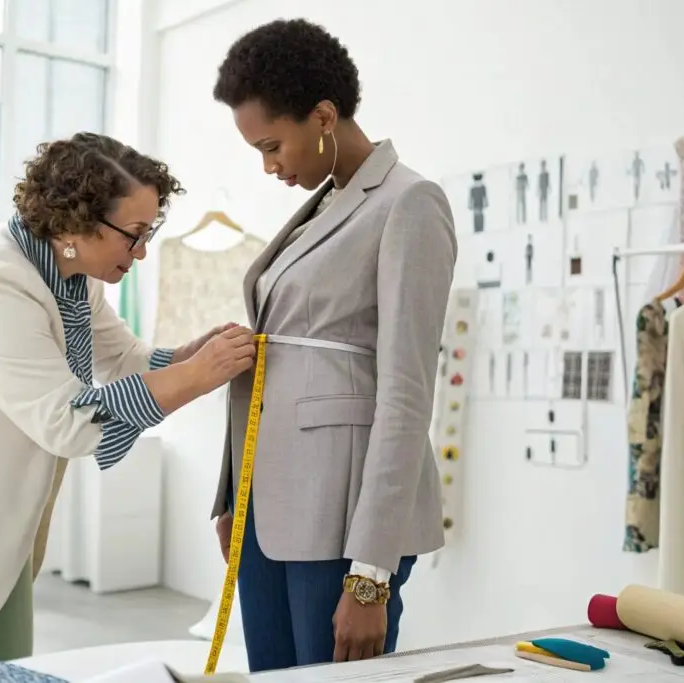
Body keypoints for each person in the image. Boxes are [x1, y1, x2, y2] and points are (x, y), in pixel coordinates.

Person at [0, 132, 256, 670]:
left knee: (11, 671)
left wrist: (189, 358)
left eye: (150, 232)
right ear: (76, 222)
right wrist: (192, 380)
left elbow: (123, 356)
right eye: (133, 234)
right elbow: (67, 421)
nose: (143, 250)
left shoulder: (70, 274)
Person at [208, 19, 457, 673]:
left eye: (272, 146)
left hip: (341, 523)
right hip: (266, 511)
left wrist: (370, 572)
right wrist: (235, 494)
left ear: (323, 115)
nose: (269, 167)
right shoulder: (322, 206)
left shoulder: (409, 204)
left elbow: (406, 393)